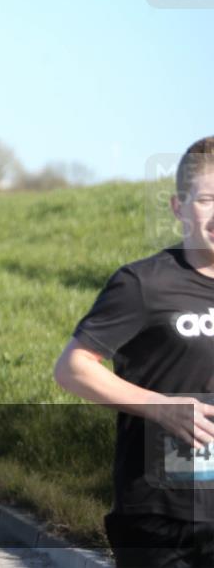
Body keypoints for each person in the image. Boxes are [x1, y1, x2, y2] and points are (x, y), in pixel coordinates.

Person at [54, 136, 214, 567]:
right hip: (159, 515)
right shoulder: (145, 283)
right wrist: (160, 407)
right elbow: (72, 368)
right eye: (207, 199)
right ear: (179, 207)